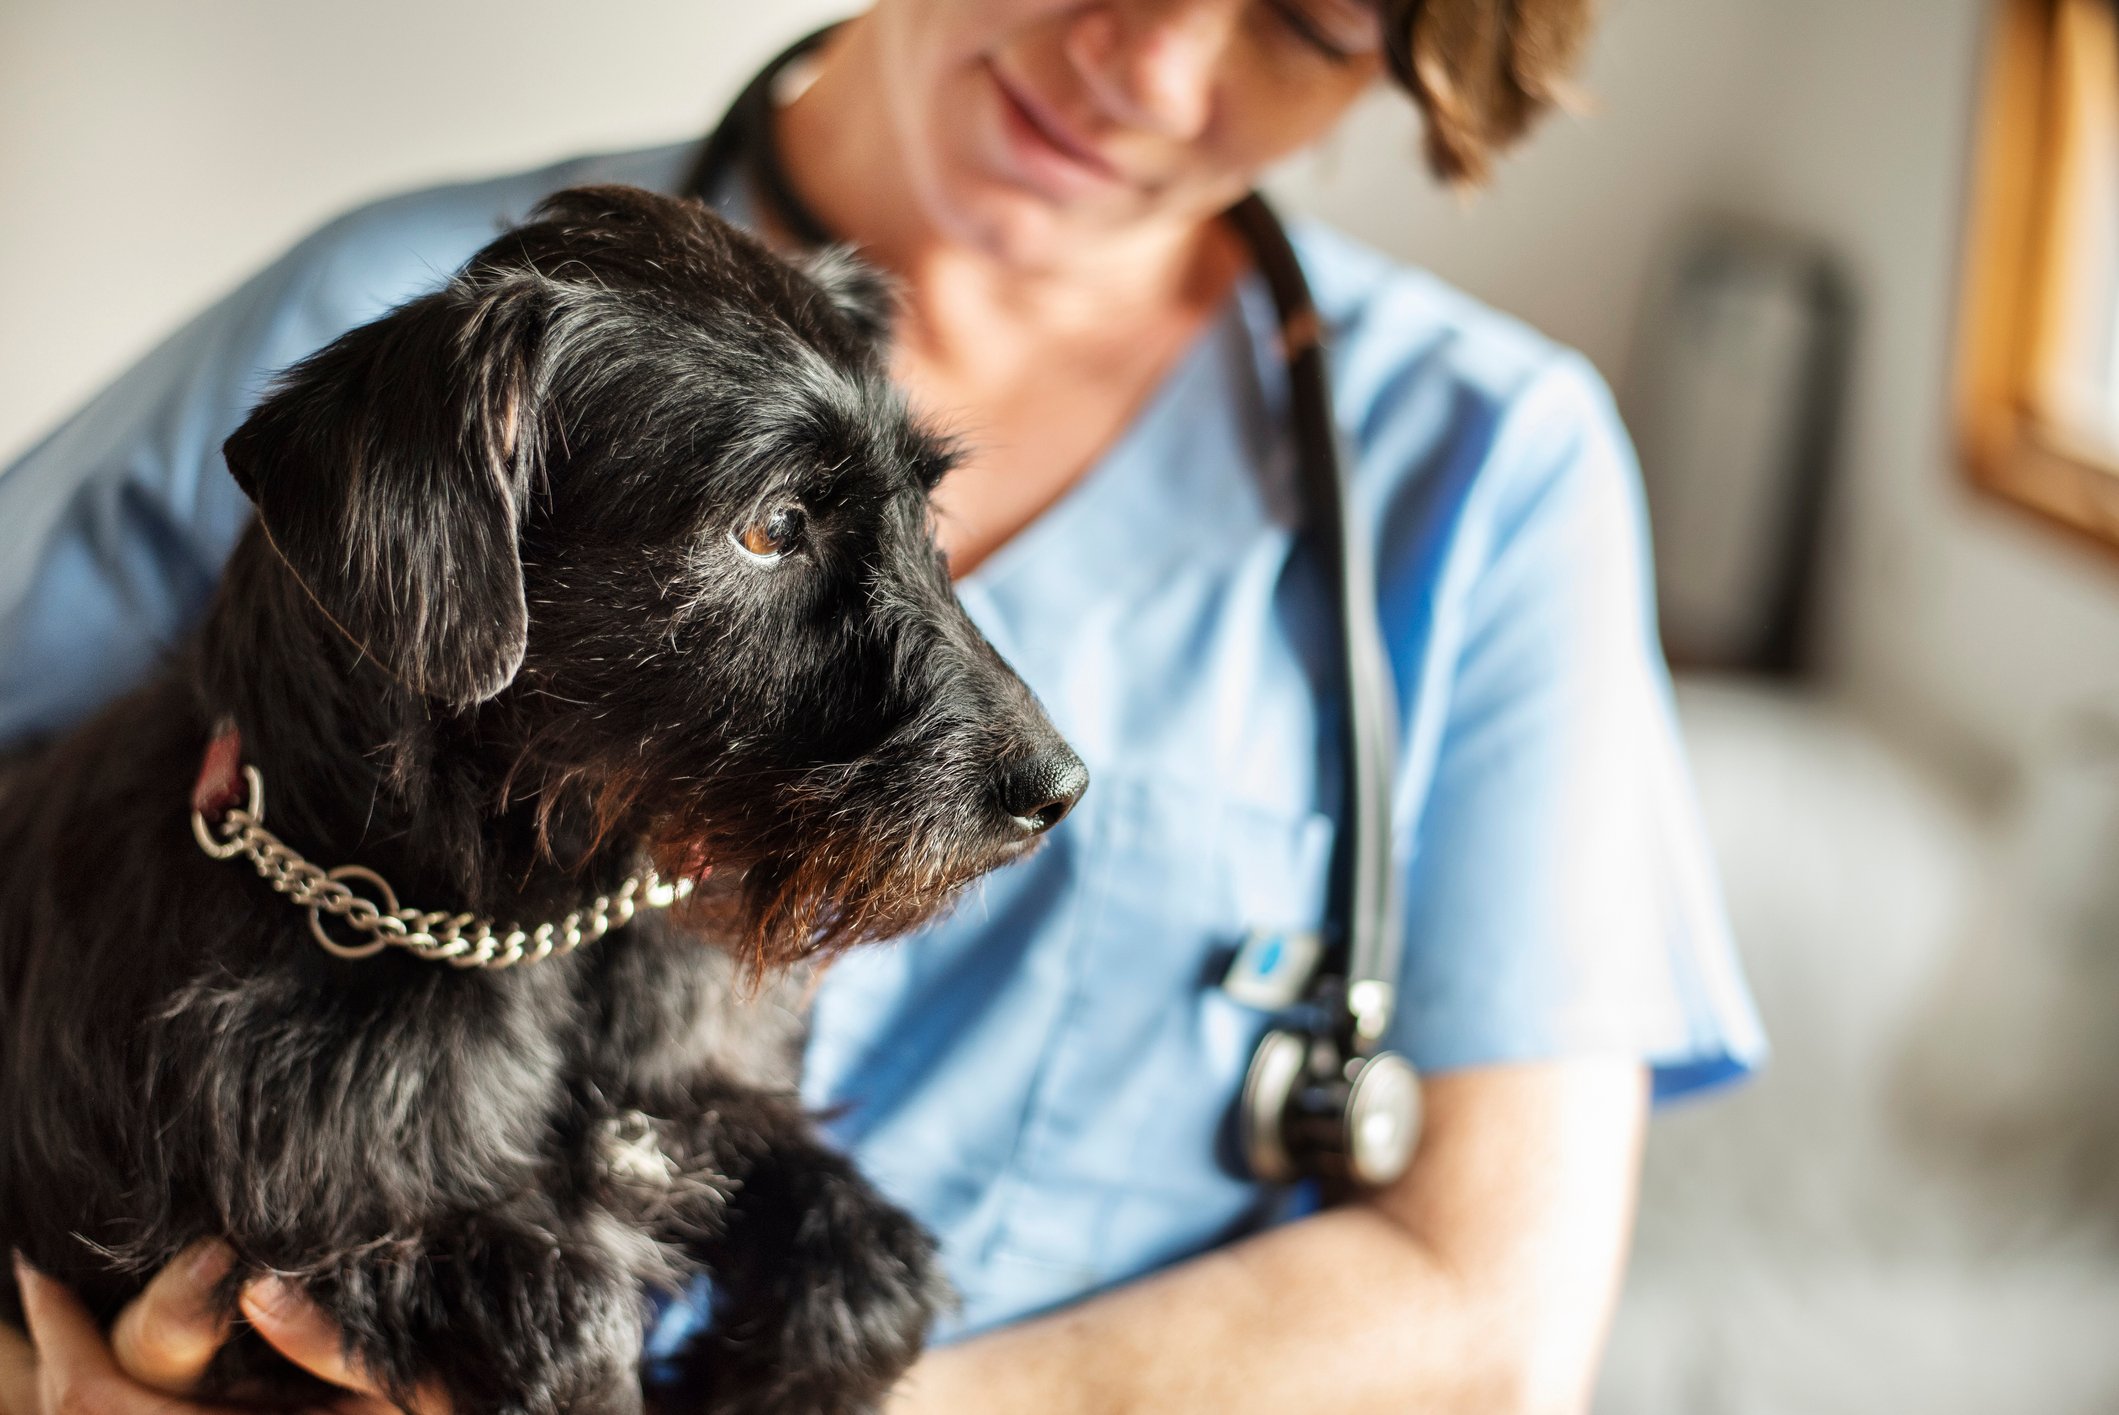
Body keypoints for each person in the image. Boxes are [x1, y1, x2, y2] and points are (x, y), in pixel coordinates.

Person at [0, 2, 1764, 1411]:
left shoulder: (1486, 469)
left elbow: (1489, 1320)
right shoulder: (396, 331)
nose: (1151, 59)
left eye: (1308, 17)